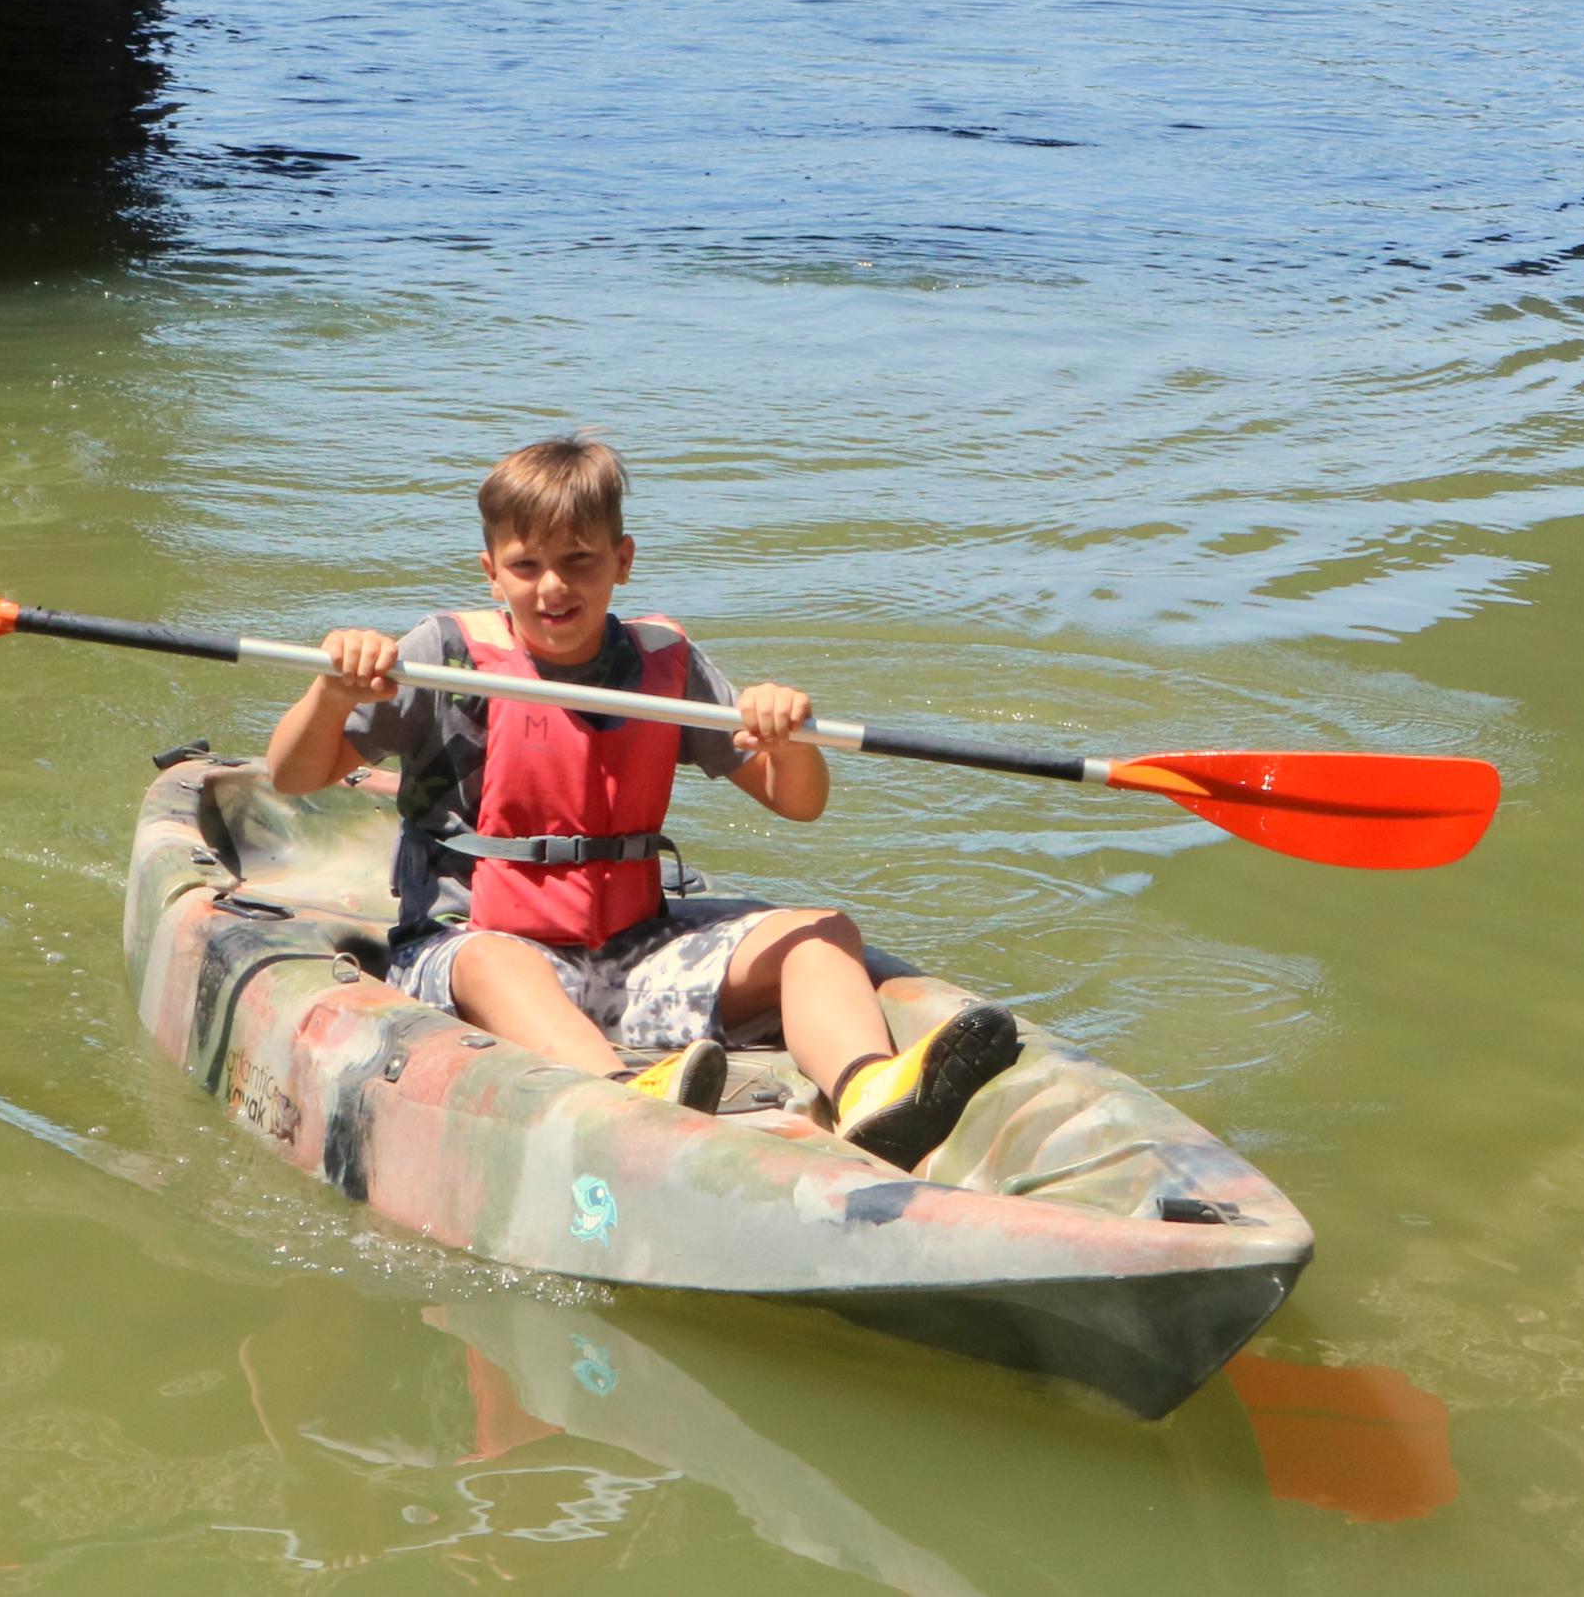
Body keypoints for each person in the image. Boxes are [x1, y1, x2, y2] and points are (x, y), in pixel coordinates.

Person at [261, 434, 1019, 1171]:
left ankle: (868, 1090)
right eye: (526, 566)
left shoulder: (664, 665)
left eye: (578, 562)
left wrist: (788, 738)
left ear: (621, 561)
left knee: (822, 931)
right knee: (496, 962)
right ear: (492, 572)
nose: (552, 587)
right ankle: (630, 1099)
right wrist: (331, 691)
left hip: (633, 946)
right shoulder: (444, 656)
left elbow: (798, 803)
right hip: (470, 940)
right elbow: (293, 775)